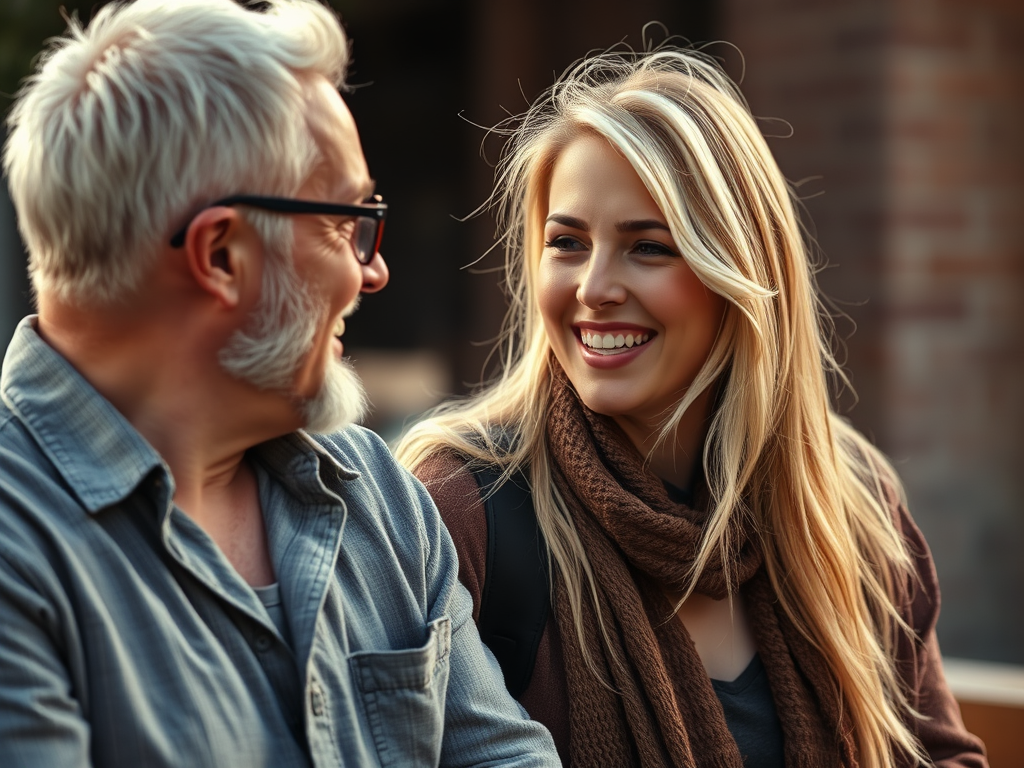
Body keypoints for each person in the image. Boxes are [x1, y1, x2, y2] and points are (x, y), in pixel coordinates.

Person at [395, 42, 988, 768]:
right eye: (568, 243)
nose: (594, 287)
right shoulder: (460, 510)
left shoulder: (851, 504)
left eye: (649, 248)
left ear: (737, 274)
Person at [0, 1, 561, 766]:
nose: (374, 268)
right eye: (345, 223)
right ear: (223, 254)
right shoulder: (18, 548)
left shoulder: (382, 499)